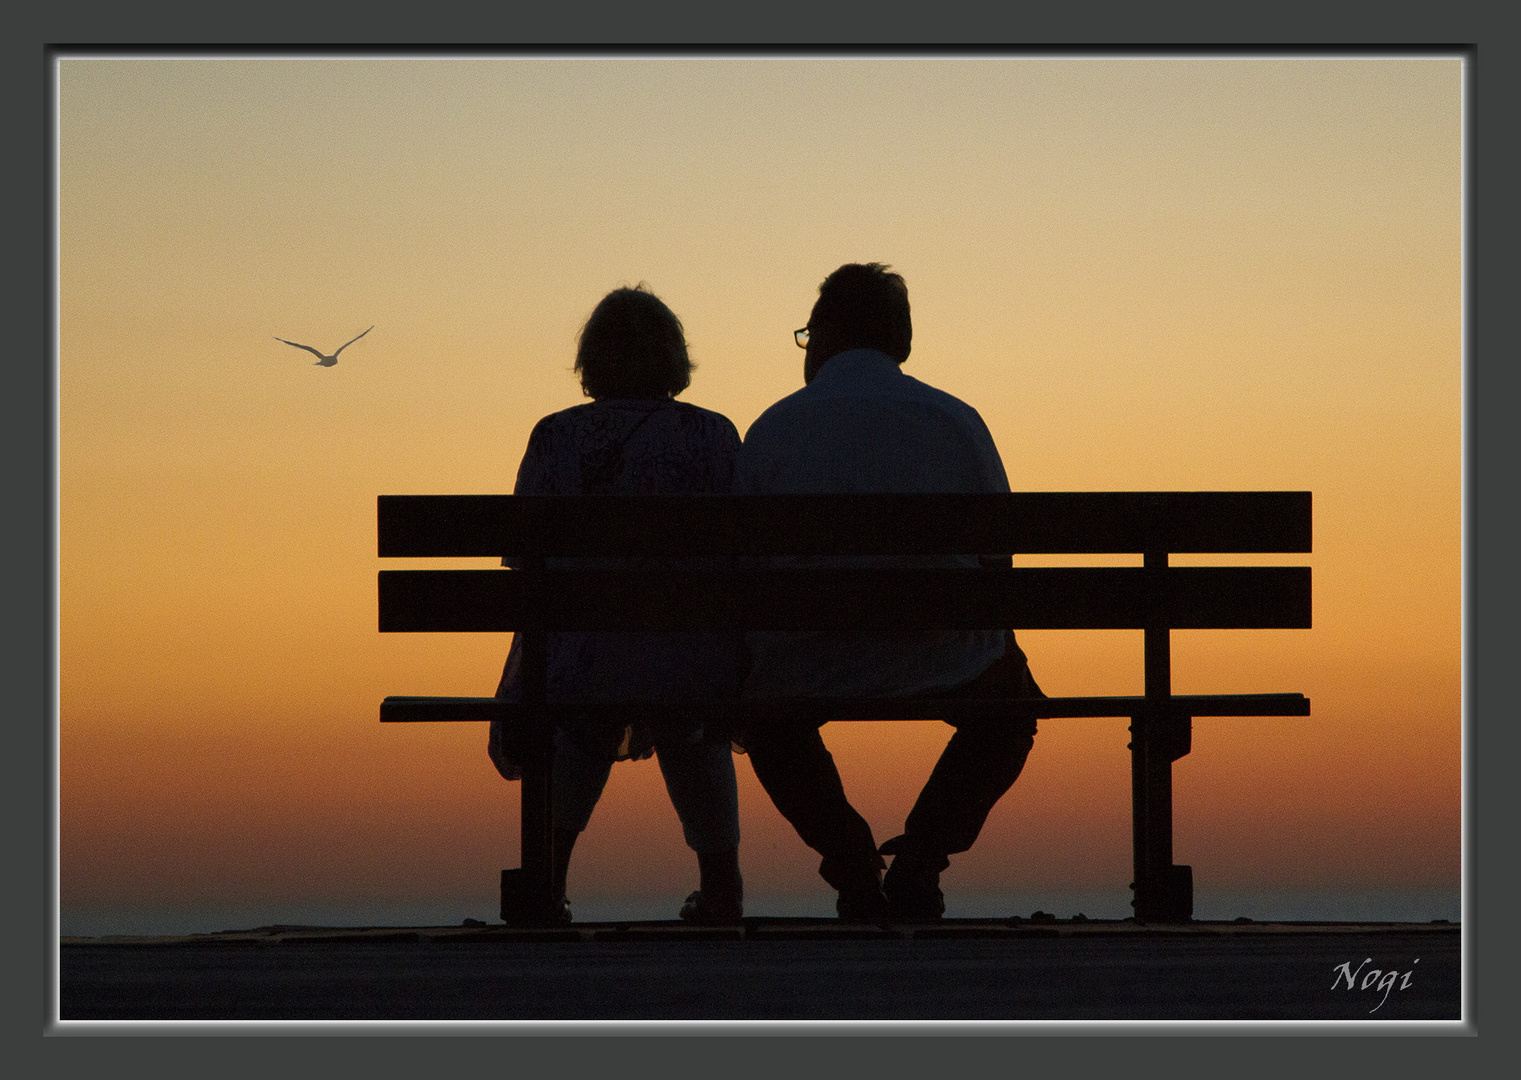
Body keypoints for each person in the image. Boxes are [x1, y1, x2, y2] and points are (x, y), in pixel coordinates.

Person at [733, 262, 1043, 922]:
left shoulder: (772, 429)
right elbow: (998, 557)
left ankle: (850, 864)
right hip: (942, 655)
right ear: (897, 340)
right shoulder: (956, 421)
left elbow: (743, 567)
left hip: (804, 659)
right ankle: (921, 861)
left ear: (826, 334)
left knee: (765, 719)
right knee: (1009, 713)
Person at [490, 285, 746, 924]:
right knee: (688, 703)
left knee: (582, 703)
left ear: (591, 359)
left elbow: (522, 568)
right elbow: (743, 562)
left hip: (583, 660)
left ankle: (547, 880)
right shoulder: (713, 437)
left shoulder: (555, 438)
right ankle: (722, 885)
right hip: (693, 658)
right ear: (674, 358)